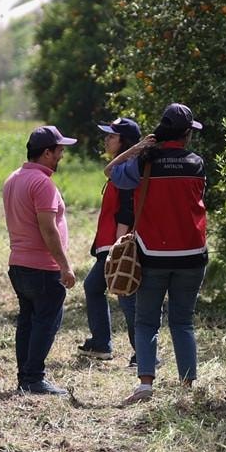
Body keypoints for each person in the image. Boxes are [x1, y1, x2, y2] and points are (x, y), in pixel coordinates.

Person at [105, 103, 208, 405]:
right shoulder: (197, 163)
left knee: (147, 321)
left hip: (153, 254)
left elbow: (110, 172)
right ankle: (187, 385)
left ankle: (145, 385)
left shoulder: (145, 163)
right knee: (183, 322)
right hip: (193, 254)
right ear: (187, 134)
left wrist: (137, 148)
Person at [2, 125, 78, 396]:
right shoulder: (43, 183)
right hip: (42, 267)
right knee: (46, 323)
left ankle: (25, 377)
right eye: (59, 151)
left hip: (18, 264)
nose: (61, 156)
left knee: (27, 321)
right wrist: (65, 265)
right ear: (47, 152)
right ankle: (34, 379)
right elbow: (48, 228)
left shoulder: (14, 178)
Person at [78, 117, 142, 365]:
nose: (106, 139)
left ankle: (143, 354)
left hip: (117, 244)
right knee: (95, 287)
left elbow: (127, 210)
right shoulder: (123, 166)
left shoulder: (127, 169)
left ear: (124, 141)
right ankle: (101, 344)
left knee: (126, 296)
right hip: (110, 244)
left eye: (112, 136)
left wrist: (119, 247)